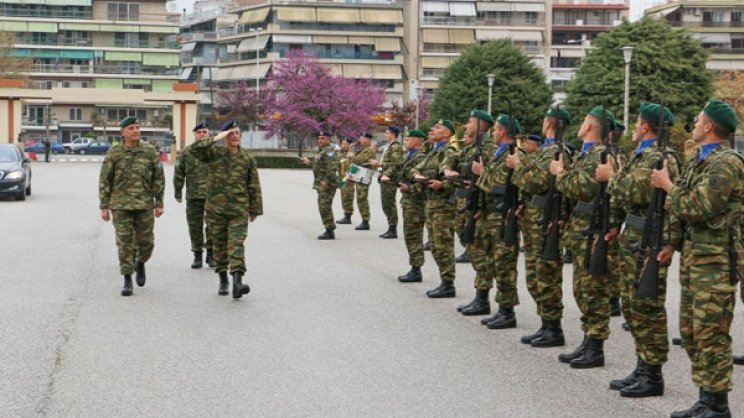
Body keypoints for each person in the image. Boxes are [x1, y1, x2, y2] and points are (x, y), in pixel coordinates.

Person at [651, 99, 743, 418]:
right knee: (691, 331)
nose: (693, 122)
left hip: (716, 262)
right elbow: (680, 209)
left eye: (697, 119)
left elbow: (700, 207)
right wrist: (671, 242)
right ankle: (706, 397)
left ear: (708, 127)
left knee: (712, 332)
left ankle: (718, 404)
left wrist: (667, 185)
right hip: (694, 258)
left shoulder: (727, 163)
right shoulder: (696, 160)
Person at [597, 103, 679, 397]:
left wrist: (611, 177)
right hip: (632, 235)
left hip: (650, 238)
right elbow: (625, 194)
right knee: (632, 305)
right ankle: (642, 366)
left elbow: (638, 191)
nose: (632, 127)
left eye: (636, 122)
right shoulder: (640, 156)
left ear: (645, 126)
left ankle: (653, 374)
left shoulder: (661, 156)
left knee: (647, 306)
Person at [550, 106, 618, 368]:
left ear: (589, 126)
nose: (580, 125)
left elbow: (583, 188)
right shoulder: (587, 155)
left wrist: (559, 173)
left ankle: (596, 346)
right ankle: (588, 341)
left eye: (584, 121)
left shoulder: (599, 155)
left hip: (593, 229)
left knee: (593, 290)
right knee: (582, 288)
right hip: (581, 229)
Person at [509, 107, 572, 347]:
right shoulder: (546, 151)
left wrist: (518, 164)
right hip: (534, 218)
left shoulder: (555, 152)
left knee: (546, 275)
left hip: (545, 221)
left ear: (549, 123)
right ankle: (546, 324)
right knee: (536, 276)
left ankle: (553, 328)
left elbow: (535, 181)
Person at [190, 120, 263, 298]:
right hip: (216, 209)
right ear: (224, 137)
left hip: (239, 209)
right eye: (231, 133)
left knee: (236, 244)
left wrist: (254, 209)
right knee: (220, 246)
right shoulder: (214, 153)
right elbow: (194, 150)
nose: (236, 135)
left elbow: (254, 185)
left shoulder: (247, 158)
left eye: (237, 132)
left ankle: (237, 282)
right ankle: (223, 279)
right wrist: (216, 138)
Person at [98, 116, 165, 296]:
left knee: (147, 243)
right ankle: (127, 279)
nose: (136, 131)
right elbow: (105, 180)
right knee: (124, 243)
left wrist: (159, 202)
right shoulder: (114, 153)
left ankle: (141, 262)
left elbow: (158, 177)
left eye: (137, 127)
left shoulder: (150, 151)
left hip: (144, 204)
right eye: (131, 128)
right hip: (120, 205)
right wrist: (104, 206)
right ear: (123, 132)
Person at [473, 113, 523, 328]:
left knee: (505, 266)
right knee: (494, 262)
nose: (493, 132)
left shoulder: (512, 155)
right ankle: (501, 308)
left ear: (503, 131)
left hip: (504, 217)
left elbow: (500, 188)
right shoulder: (499, 153)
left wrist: (482, 173)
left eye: (495, 129)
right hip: (491, 216)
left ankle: (507, 311)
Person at [443, 110, 494, 315]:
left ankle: (483, 299)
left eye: (470, 122)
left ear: (482, 125)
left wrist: (482, 206)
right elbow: (453, 164)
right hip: (466, 201)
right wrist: (449, 169)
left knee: (482, 254)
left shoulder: (488, 148)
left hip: (480, 206)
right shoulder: (470, 147)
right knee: (473, 250)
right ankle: (480, 297)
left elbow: (493, 179)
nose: (466, 125)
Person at [413, 119, 460, 298]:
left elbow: (455, 177)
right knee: (434, 245)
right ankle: (444, 280)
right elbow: (416, 169)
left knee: (443, 245)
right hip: (431, 203)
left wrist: (443, 185)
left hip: (443, 205)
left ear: (448, 133)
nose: (433, 129)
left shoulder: (448, 151)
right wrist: (417, 175)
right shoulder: (433, 152)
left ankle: (448, 284)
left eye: (438, 127)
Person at [174, 122, 214, 269]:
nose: (202, 135)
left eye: (205, 132)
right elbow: (179, 172)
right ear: (195, 135)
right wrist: (178, 191)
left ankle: (211, 254)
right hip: (194, 195)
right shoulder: (187, 151)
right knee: (195, 226)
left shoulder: (216, 151)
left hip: (214, 196)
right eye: (199, 132)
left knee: (213, 226)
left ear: (208, 133)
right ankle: (197, 255)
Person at [396, 129, 428, 283]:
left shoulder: (420, 158)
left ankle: (416, 269)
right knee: (410, 235)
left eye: (408, 139)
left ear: (417, 141)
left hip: (416, 202)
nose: (405, 141)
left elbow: (423, 184)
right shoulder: (409, 156)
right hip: (408, 201)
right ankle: (414, 267)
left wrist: (410, 189)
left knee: (414, 236)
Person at [302, 131, 338, 240]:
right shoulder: (321, 151)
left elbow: (332, 168)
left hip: (327, 184)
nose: (320, 140)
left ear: (328, 139)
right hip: (320, 183)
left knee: (324, 206)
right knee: (323, 206)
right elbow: (319, 166)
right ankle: (329, 228)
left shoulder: (330, 151)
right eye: (319, 138)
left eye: (322, 138)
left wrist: (326, 181)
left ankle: (330, 230)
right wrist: (309, 163)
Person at [371, 126, 404, 239]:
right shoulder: (389, 146)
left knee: (389, 204)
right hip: (385, 177)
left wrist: (382, 167)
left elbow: (396, 164)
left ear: (393, 134)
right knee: (386, 204)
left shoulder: (396, 147)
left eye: (387, 133)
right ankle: (390, 227)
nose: (385, 135)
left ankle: (393, 229)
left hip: (390, 178)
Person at [351, 132, 377, 230]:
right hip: (360, 175)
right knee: (360, 199)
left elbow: (360, 161)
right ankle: (364, 219)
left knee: (362, 199)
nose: (360, 140)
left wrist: (352, 156)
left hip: (364, 176)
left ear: (367, 139)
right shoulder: (365, 149)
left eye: (361, 138)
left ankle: (365, 221)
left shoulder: (369, 150)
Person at [336, 138, 356, 225]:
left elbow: (355, 167)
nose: (342, 145)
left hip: (348, 179)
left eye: (345, 144)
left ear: (349, 146)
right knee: (343, 197)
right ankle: (346, 214)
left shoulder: (352, 154)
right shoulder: (340, 153)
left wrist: (351, 158)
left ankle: (348, 216)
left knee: (348, 197)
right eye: (342, 144)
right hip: (341, 179)